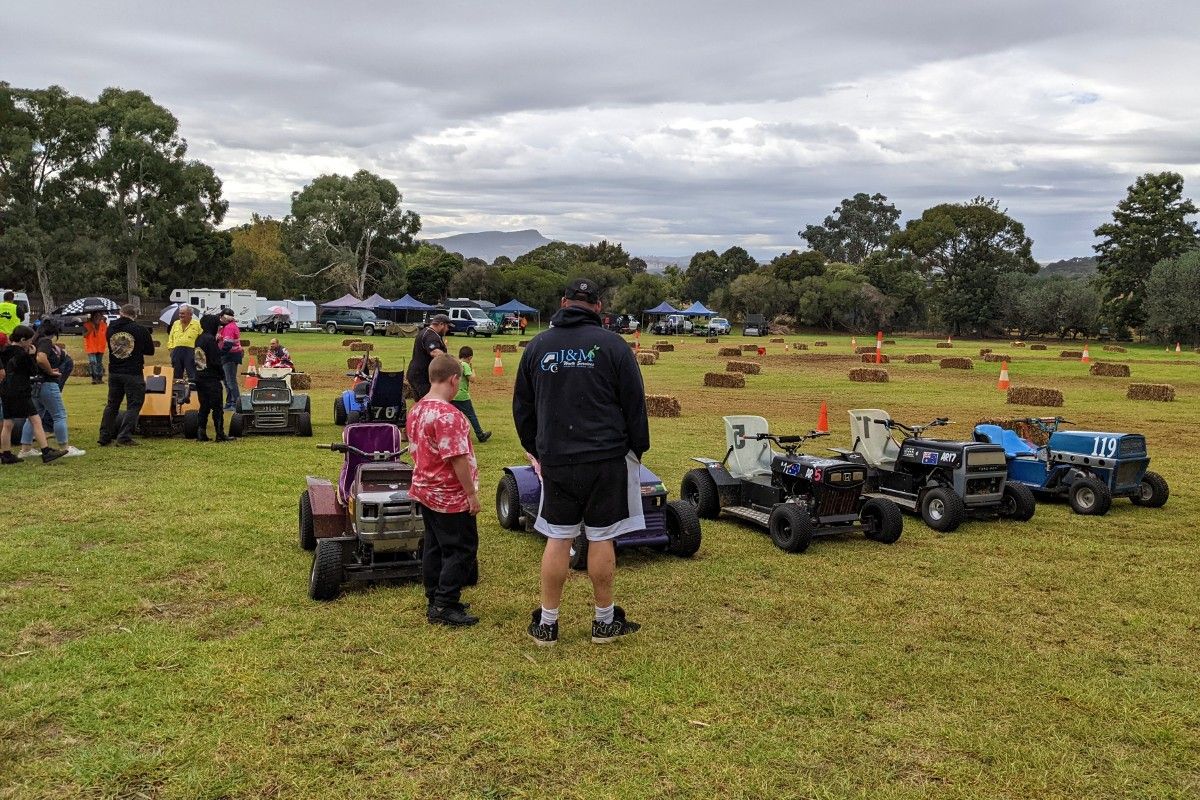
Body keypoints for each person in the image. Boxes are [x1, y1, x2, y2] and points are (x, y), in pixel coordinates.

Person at [514, 277, 650, 646]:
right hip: (606, 458)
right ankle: (604, 623)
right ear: (598, 307)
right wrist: (638, 449)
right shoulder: (614, 345)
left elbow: (522, 407)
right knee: (602, 538)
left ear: (563, 302)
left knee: (558, 537)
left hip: (557, 458)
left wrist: (538, 450)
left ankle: (547, 624)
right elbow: (635, 403)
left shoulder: (538, 345)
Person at [406, 354, 481, 627]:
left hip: (425, 489)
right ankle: (444, 604)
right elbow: (457, 458)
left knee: (435, 546)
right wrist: (470, 493)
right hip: (450, 495)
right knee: (461, 549)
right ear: (454, 379)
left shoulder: (416, 410)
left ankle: (434, 596)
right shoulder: (449, 416)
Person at [17, 320, 84, 458]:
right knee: (59, 415)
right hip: (47, 383)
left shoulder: (33, 342)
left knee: (34, 417)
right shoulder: (46, 341)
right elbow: (41, 358)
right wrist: (50, 371)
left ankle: (26, 449)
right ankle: (64, 447)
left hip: (34, 384)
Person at [1, 326, 67, 464]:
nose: (31, 342)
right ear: (23, 340)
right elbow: (33, 371)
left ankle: (6, 454)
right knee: (36, 420)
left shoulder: (4, 351)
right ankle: (46, 451)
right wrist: (31, 355)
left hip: (6, 390)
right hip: (21, 390)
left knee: (8, 423)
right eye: (29, 339)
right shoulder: (22, 355)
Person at [98, 304, 155, 446]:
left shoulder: (110, 328)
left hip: (114, 371)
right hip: (132, 372)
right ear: (135, 315)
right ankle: (124, 436)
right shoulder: (140, 329)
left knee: (112, 405)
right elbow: (150, 350)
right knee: (134, 405)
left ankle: (104, 436)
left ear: (120, 313)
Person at [194, 314, 233, 442]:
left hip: (199, 376)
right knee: (217, 407)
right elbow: (215, 361)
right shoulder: (210, 340)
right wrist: (221, 374)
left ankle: (201, 432)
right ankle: (220, 433)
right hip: (211, 377)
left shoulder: (199, 338)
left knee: (204, 406)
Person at [450, 345, 490, 443]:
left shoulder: (455, 364)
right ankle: (480, 434)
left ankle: (451, 435)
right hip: (462, 396)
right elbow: (472, 379)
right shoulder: (465, 365)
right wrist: (473, 371)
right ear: (470, 357)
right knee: (471, 416)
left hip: (452, 394)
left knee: (452, 416)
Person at [406, 313, 450, 401]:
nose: (447, 329)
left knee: (421, 403)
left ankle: (416, 415)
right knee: (429, 402)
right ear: (441, 324)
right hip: (421, 376)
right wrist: (450, 361)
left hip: (416, 373)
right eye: (447, 326)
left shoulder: (426, 331)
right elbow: (434, 352)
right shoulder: (431, 335)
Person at [216, 308, 243, 410]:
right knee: (227, 381)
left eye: (221, 316)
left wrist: (219, 354)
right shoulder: (226, 327)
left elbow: (228, 344)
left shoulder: (229, 328)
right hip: (228, 356)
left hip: (230, 356)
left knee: (231, 381)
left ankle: (236, 404)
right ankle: (229, 402)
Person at [167, 304, 201, 382]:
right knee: (176, 374)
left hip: (191, 351)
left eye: (183, 313)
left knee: (191, 373)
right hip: (176, 351)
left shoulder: (197, 324)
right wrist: (171, 349)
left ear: (190, 314)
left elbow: (201, 338)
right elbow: (170, 337)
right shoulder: (175, 323)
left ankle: (193, 390)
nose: (180, 315)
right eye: (180, 313)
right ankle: (178, 391)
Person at [83, 311, 108, 384]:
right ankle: (94, 378)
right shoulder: (87, 325)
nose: (98, 317)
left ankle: (100, 378)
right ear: (92, 317)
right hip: (91, 347)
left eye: (99, 316)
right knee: (93, 363)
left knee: (99, 363)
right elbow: (84, 335)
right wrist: (91, 329)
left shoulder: (104, 325)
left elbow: (107, 334)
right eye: (96, 316)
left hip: (100, 347)